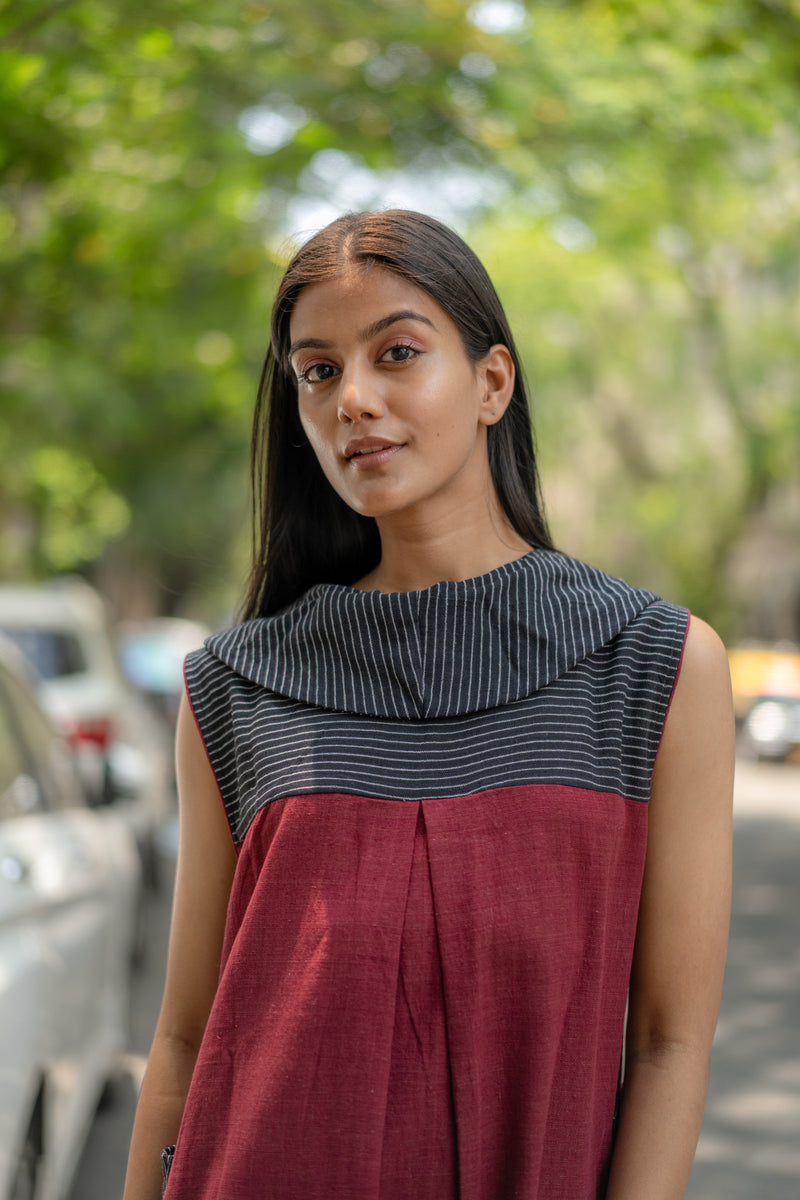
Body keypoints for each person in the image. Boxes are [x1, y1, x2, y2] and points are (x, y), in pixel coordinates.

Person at [123, 210, 734, 1200]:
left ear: (492, 382)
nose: (352, 399)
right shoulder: (234, 687)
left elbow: (668, 1043)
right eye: (316, 372)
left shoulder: (656, 670)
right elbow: (187, 1036)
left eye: (396, 352)